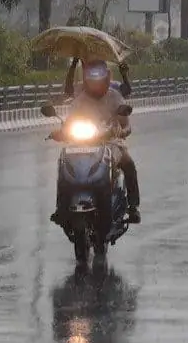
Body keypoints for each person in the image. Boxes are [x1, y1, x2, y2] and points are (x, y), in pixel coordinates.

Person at [51, 59, 141, 224]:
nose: (95, 79)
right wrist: (61, 132)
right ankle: (61, 207)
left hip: (111, 143)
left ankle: (133, 206)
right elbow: (70, 120)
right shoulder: (79, 98)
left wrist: (122, 131)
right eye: (91, 74)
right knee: (63, 163)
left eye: (99, 74)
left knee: (129, 164)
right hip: (82, 143)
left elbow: (126, 125)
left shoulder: (115, 97)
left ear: (107, 76)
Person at [64, 57, 132, 98]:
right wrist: (74, 64)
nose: (96, 74)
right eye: (92, 71)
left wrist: (124, 75)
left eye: (100, 70)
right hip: (88, 119)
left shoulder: (112, 86)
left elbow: (127, 91)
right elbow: (68, 91)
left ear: (106, 71)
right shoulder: (84, 88)